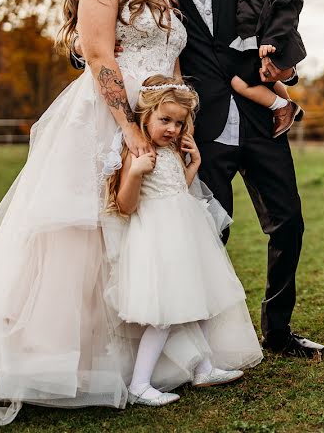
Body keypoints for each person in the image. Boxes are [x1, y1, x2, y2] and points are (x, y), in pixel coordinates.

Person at [0, 0, 213, 425]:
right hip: (107, 120)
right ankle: (65, 363)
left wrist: (179, 124)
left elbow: (174, 67)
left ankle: (156, 361)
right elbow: (98, 56)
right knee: (86, 235)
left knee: (153, 234)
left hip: (161, 119)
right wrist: (129, 127)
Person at [143, 0, 324, 358]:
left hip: (259, 115)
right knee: (209, 231)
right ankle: (201, 340)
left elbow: (282, 10)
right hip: (202, 125)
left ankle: (280, 333)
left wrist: (287, 66)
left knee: (289, 223)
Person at [105, 75, 261, 406]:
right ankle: (140, 383)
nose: (173, 129)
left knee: (200, 305)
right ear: (144, 115)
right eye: (165, 120)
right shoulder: (138, 154)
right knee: (165, 315)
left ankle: (204, 368)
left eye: (178, 122)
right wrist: (134, 173)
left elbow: (178, 189)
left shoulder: (172, 151)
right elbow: (125, 205)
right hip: (159, 241)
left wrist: (195, 165)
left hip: (188, 234)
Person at [227, 0, 306, 137]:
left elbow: (287, 12)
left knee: (238, 82)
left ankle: (281, 107)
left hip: (273, 44)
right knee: (265, 78)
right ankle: (289, 103)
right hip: (251, 44)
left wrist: (271, 41)